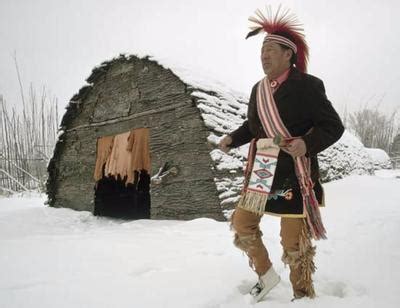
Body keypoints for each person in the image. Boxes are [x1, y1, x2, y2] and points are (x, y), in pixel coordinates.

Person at [219, 7, 344, 303]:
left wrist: (306, 143)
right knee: (242, 222)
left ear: (288, 54)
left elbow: (333, 126)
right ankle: (266, 275)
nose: (264, 56)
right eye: (262, 50)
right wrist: (232, 139)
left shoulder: (308, 86)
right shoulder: (258, 89)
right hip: (263, 169)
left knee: (293, 241)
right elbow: (253, 127)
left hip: (294, 172)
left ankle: (301, 294)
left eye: (270, 50)